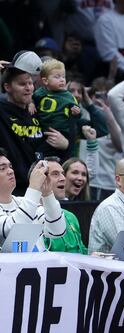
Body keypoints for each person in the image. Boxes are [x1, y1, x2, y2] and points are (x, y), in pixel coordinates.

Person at [0, 51, 49, 195]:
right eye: (22, 84)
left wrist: (65, 143)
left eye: (30, 83)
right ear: (7, 87)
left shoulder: (38, 111)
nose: (28, 88)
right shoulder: (2, 111)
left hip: (39, 189)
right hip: (11, 191)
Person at [0, 148, 66, 250]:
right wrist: (34, 187)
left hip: (37, 264)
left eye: (10, 166)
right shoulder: (29, 202)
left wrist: (47, 193)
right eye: (2, 168)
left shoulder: (23, 202)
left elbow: (57, 231)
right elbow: (14, 231)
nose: (10, 171)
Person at [32, 58, 81, 160]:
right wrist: (30, 104)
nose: (62, 80)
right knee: (41, 151)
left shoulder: (68, 96)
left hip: (62, 131)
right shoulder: (40, 93)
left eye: (63, 77)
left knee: (48, 152)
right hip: (43, 131)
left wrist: (76, 112)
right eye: (57, 77)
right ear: (45, 81)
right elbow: (31, 99)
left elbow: (77, 111)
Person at [43, 157, 87, 254]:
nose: (63, 178)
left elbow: (82, 251)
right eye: (55, 174)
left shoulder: (71, 216)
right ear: (39, 180)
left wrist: (93, 257)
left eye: (62, 174)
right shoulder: (32, 218)